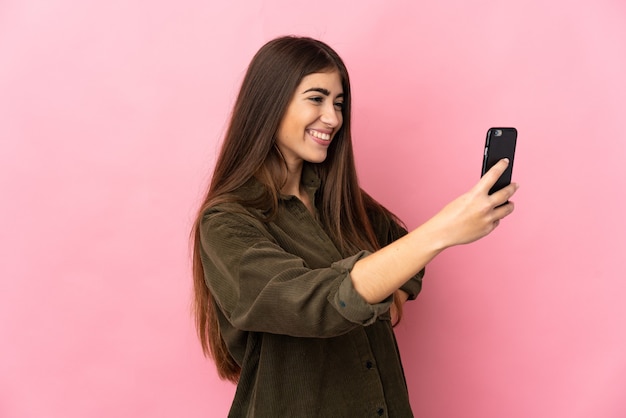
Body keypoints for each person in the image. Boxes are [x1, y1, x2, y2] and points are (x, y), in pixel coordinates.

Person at [191, 35, 518, 417]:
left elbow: (405, 258)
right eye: (316, 98)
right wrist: (442, 230)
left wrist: (382, 299)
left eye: (339, 103)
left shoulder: (342, 202)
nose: (333, 118)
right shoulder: (226, 223)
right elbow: (310, 303)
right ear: (269, 104)